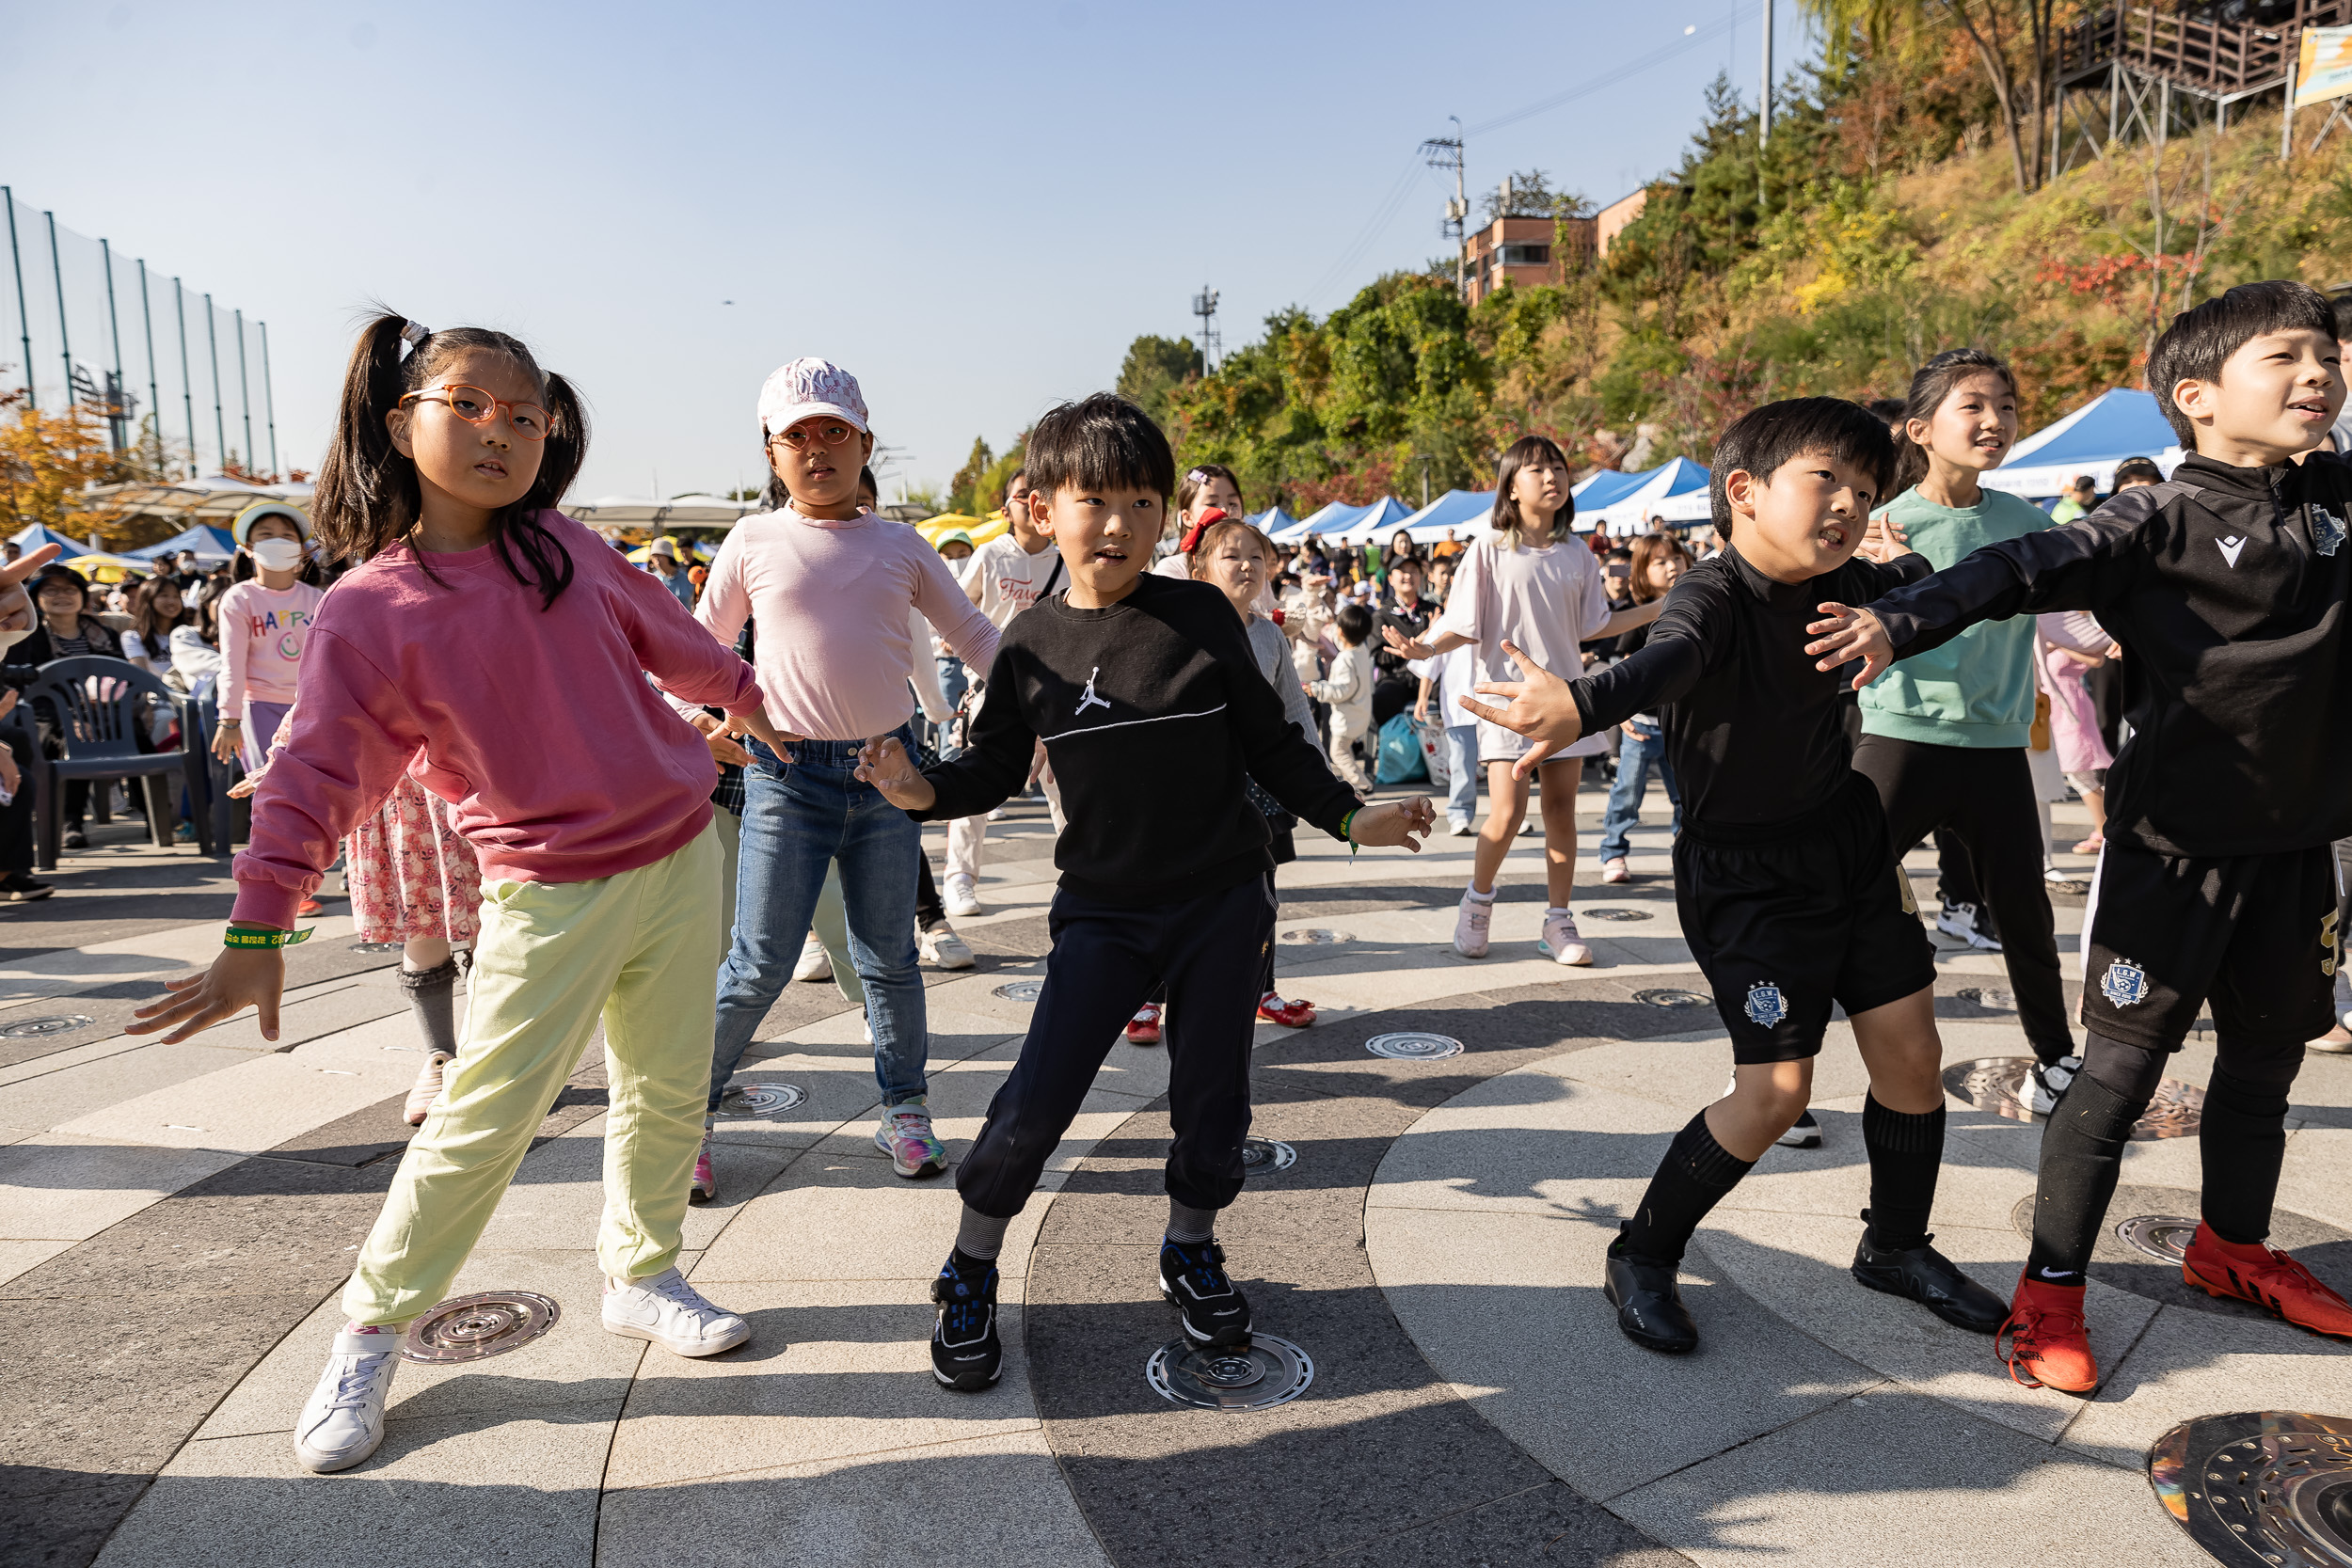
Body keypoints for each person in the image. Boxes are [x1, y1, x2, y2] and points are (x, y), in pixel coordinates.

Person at [126, 312, 791, 1476]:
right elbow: (318, 777)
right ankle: (371, 1328)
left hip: (684, 852)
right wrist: (257, 924)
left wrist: (745, 693)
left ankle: (640, 1272)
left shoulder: (565, 548)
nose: (499, 430)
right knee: (484, 1118)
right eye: (468, 405)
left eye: (524, 414)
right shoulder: (373, 609)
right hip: (547, 888)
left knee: (668, 1085)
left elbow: (670, 638)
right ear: (401, 420)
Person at [1804, 280, 2352, 1393]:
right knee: (2113, 1073)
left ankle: (2232, 1250)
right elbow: (2016, 568)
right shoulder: (2151, 517)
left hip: (2299, 847)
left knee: (2265, 1063)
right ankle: (2048, 1293)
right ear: (2195, 398)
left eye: (2328, 359)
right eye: (2286, 357)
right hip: (2170, 853)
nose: (2319, 375)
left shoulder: (2335, 494)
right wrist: (1897, 620)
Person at [850, 393, 1433, 1392]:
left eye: (1140, 500)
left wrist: (1348, 816)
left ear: (1165, 515)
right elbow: (986, 770)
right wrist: (919, 790)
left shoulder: (1200, 613)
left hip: (1220, 903)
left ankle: (1190, 1246)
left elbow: (1272, 744)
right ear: (1041, 509)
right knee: (1035, 1101)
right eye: (1093, 498)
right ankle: (970, 1264)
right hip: (1103, 915)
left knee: (1214, 1101)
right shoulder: (1026, 641)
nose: (1116, 522)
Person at [1465, 397, 2005, 1354]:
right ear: (1744, 492)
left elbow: (1910, 575)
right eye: (1824, 479)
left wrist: (1907, 560)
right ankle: (1641, 1250)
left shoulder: (1847, 583)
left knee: (1913, 1060)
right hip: (1744, 879)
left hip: (1847, 845)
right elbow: (1667, 659)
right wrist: (1581, 700)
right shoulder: (1710, 594)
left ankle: (1894, 1245)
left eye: (1864, 488)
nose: (1845, 503)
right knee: (1775, 1092)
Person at [694, 358, 1000, 1184]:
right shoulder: (753, 539)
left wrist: (1060, 688)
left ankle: (905, 1110)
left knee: (889, 957)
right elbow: (698, 647)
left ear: (868, 444)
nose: (817, 449)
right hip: (783, 777)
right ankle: (686, 1117)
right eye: (797, 436)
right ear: (770, 451)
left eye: (835, 431)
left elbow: (975, 636)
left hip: (884, 775)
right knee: (757, 961)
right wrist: (699, 721)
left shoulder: (903, 546)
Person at [1854, 348, 2075, 1115]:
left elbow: (2072, 615)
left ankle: (2055, 1063)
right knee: (1830, 896)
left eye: (2007, 406)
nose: (1996, 420)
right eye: (1974, 406)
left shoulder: (2025, 522)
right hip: (1897, 737)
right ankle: (1775, 1072)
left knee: (2025, 916)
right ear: (1920, 428)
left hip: (1996, 747)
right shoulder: (1878, 524)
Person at [1382, 436, 1662, 965]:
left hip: (1565, 702)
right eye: (1537, 469)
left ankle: (1559, 920)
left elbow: (1595, 625)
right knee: (1505, 815)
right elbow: (1462, 623)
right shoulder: (1489, 546)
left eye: (1558, 467)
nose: (1552, 476)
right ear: (1512, 485)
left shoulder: (1577, 551)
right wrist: (1424, 646)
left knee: (1561, 813)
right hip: (1506, 701)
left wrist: (1658, 610)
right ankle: (1477, 903)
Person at [1191, 515, 1324, 1028]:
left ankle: (1262, 989)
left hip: (1261, 791)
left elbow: (1296, 713)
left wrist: (1325, 783)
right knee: (1185, 897)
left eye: (1255, 556)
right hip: (1198, 789)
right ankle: (1152, 997)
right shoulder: (1186, 628)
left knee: (1262, 896)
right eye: (1231, 555)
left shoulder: (1271, 635)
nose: (1246, 565)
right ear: (1201, 569)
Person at [944, 466, 1064, 918]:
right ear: (1008, 507)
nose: (1031, 504)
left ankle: (1083, 873)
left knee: (1064, 785)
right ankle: (959, 878)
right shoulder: (991, 555)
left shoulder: (1064, 559)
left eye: (1041, 494)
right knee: (978, 780)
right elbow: (954, 607)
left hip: (1055, 692)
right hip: (992, 685)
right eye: (1021, 496)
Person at [1596, 532, 1690, 883]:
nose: (1671, 567)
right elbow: (1623, 669)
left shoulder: (1701, 604)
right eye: (1660, 562)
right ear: (1641, 572)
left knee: (1685, 799)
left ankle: (1684, 855)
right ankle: (1614, 853)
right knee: (1626, 795)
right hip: (1641, 724)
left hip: (1681, 726)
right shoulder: (1640, 616)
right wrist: (1621, 714)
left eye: (1676, 558)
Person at [211, 501, 326, 776]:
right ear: (248, 547)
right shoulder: (239, 598)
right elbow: (232, 663)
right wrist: (229, 718)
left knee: (311, 791)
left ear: (301, 549)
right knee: (269, 789)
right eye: (266, 534)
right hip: (260, 706)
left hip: (310, 709)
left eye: (287, 536)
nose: (277, 541)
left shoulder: (317, 598)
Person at [19, 564, 127, 851]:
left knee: (142, 731)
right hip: (47, 715)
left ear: (82, 596)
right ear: (36, 598)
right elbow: (33, 692)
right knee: (75, 738)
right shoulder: (27, 638)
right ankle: (71, 821)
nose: (61, 596)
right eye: (50, 590)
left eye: (69, 589)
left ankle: (163, 817)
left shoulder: (105, 635)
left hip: (107, 714)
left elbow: (123, 681)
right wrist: (73, 718)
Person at [1311, 602, 1375, 795]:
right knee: (1345, 751)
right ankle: (1354, 787)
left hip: (1348, 717)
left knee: (1337, 752)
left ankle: (1361, 783)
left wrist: (1318, 689)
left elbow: (1341, 691)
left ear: (1340, 632)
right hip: (1360, 712)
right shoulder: (1362, 651)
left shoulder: (1345, 659)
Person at [1371, 556, 1436, 724]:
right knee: (1384, 697)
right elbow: (1381, 657)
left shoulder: (1433, 611)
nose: (1408, 576)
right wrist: (1423, 638)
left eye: (1414, 571)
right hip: (1397, 677)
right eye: (1403, 571)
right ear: (1391, 579)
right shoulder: (1381, 616)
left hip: (1430, 677)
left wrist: (1405, 645)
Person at [121, 577, 191, 678]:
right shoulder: (133, 637)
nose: (172, 601)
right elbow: (141, 677)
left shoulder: (189, 633)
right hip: (157, 692)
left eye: (176, 596)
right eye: (164, 595)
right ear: (148, 599)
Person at [644, 536, 695, 610]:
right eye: (654, 556)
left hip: (685, 620)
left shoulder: (687, 578)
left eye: (660, 555)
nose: (656, 559)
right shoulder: (652, 580)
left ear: (668, 556)